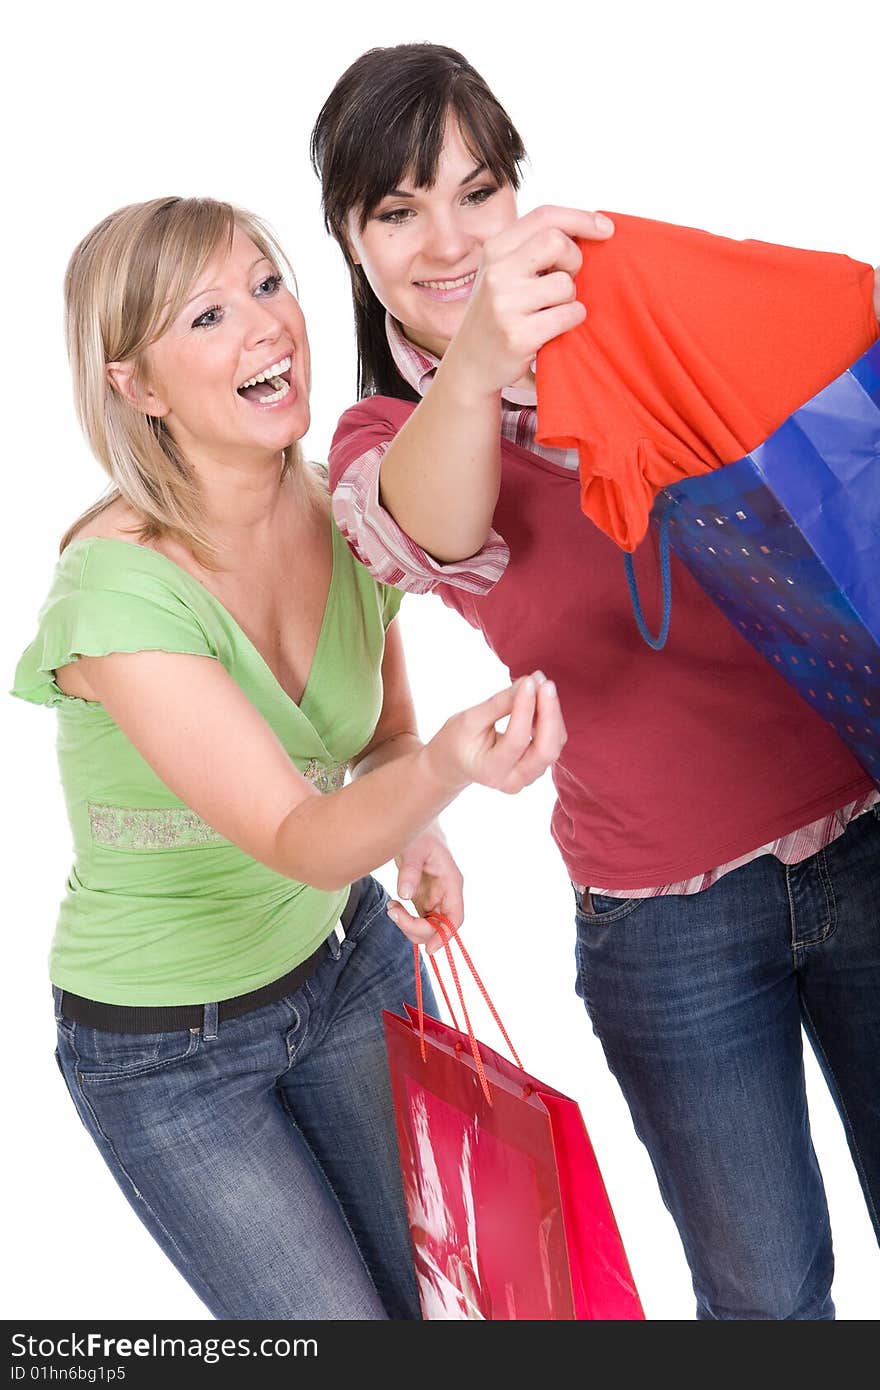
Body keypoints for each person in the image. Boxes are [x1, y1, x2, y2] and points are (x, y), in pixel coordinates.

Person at [311, 43, 880, 1320]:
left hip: (866, 837)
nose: (447, 239)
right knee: (765, 1302)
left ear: (521, 194)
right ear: (350, 242)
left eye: (475, 191)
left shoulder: (636, 311)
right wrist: (485, 355)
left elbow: (837, 354)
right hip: (665, 925)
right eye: (396, 211)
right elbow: (441, 526)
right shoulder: (378, 445)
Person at [11, 196, 565, 1321]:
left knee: (447, 1304)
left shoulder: (337, 511)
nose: (267, 326)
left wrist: (413, 818)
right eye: (209, 314)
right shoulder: (118, 592)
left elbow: (378, 739)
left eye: (269, 285)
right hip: (169, 1056)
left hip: (345, 965)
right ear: (138, 385)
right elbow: (296, 837)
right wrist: (454, 766)